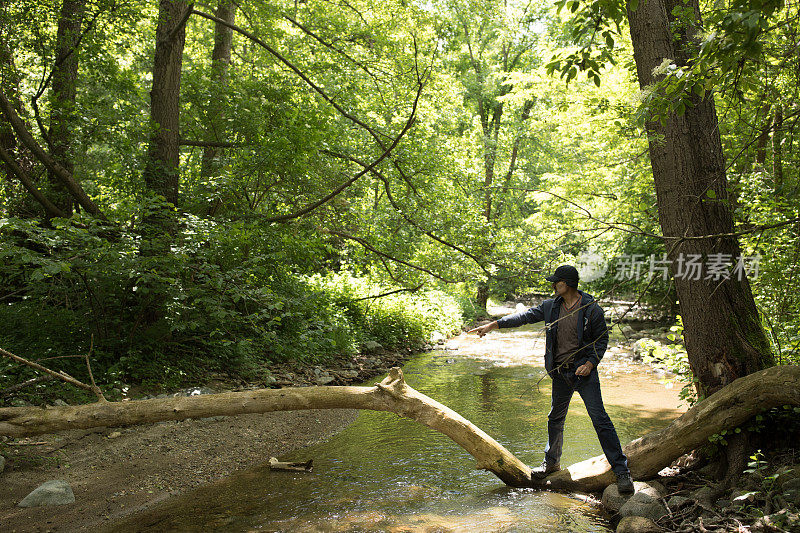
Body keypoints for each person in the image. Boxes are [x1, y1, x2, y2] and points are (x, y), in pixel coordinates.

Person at [467, 265, 634, 493]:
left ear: (565, 284)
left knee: (600, 420)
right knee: (555, 418)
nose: (553, 285)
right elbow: (524, 317)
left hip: (584, 374)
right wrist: (494, 325)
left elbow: (601, 341)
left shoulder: (591, 309)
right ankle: (552, 463)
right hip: (559, 373)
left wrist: (590, 363)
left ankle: (622, 471)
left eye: (556, 282)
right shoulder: (551, 306)